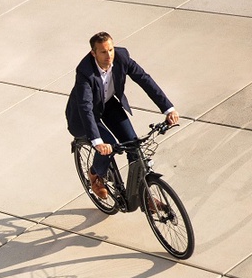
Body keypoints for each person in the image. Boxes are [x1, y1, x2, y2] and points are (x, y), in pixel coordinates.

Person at [65, 31, 179, 201]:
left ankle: (145, 196)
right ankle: (95, 175)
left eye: (110, 50)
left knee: (134, 145)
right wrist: (98, 142)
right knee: (108, 145)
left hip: (108, 104)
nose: (108, 55)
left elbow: (144, 79)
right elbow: (85, 106)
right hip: (84, 116)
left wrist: (168, 108)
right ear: (93, 53)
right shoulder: (85, 72)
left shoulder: (122, 57)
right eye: (103, 52)